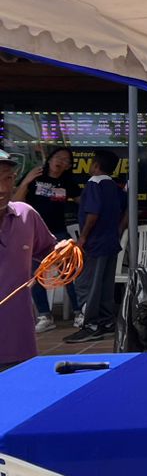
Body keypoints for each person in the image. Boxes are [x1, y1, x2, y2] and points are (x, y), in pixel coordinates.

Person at [0, 150, 59, 369]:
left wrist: (63, 252)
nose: (3, 189)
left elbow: (50, 252)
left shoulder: (26, 215)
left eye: (7, 178)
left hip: (20, 342)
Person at [15, 145, 80, 331]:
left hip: (59, 234)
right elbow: (17, 202)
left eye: (66, 160)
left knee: (68, 273)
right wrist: (26, 181)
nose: (61, 162)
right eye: (58, 157)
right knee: (34, 275)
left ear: (69, 166)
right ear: (50, 159)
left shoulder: (68, 183)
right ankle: (45, 316)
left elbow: (83, 203)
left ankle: (78, 312)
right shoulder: (36, 178)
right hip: (34, 234)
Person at [64, 149, 124, 343]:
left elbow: (93, 212)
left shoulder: (93, 183)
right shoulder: (114, 186)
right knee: (105, 285)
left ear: (96, 166)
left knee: (87, 284)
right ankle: (106, 322)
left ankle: (90, 325)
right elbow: (126, 211)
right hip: (110, 242)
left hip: (95, 243)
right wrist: (118, 231)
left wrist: (83, 237)